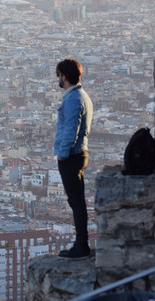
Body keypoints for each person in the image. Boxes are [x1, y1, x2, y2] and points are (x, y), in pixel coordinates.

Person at [54, 58, 93, 259]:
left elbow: (71, 131)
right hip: (79, 154)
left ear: (65, 76)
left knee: (76, 203)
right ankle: (81, 244)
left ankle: (81, 246)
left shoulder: (73, 100)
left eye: (59, 75)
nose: (58, 79)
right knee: (78, 203)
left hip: (72, 157)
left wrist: (62, 155)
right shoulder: (81, 96)